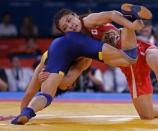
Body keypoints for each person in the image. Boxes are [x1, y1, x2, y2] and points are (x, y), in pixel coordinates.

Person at [11, 3, 146, 125]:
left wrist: (22, 110)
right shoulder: (84, 60)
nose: (70, 26)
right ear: (64, 32)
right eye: (66, 27)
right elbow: (65, 83)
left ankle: (27, 113)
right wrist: (130, 26)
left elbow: (30, 94)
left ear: (76, 16)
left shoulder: (85, 23)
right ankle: (130, 20)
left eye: (69, 20)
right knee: (130, 59)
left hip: (59, 49)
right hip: (76, 49)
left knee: (45, 95)